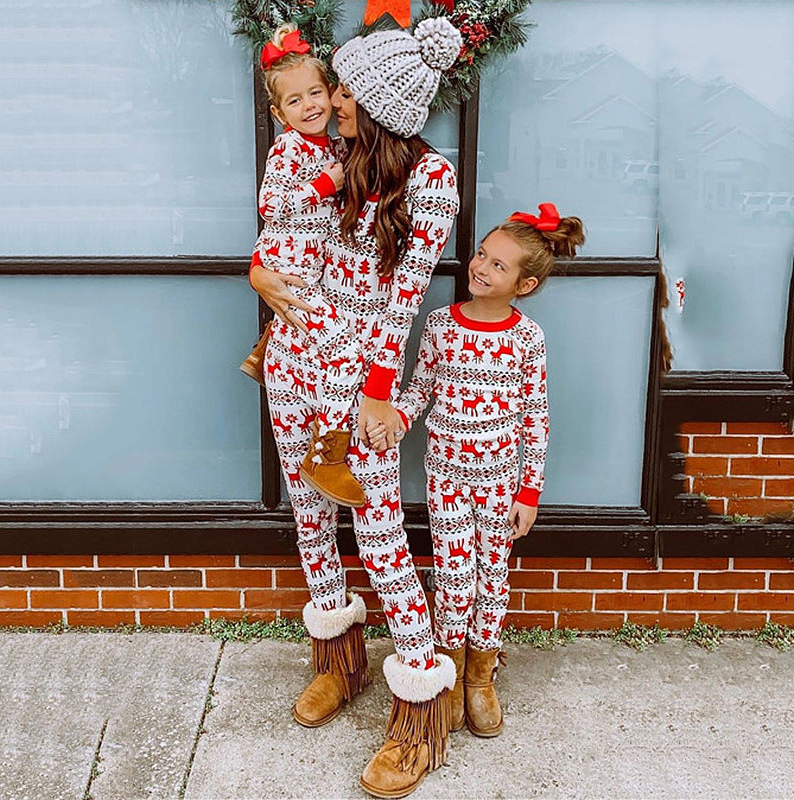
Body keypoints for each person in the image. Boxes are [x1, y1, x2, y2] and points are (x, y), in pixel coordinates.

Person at [249, 17, 463, 800]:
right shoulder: (331, 158)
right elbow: (285, 235)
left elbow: (405, 298)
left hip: (357, 380)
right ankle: (339, 661)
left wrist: (378, 391)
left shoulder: (430, 181)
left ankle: (421, 709)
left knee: (378, 535)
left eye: (342, 91)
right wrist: (257, 271)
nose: (329, 100)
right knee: (309, 517)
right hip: (292, 362)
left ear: (374, 104)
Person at [372, 204, 585, 738]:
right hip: (446, 478)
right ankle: (448, 671)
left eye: (498, 265)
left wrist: (529, 491)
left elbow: (535, 418)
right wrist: (396, 418)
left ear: (524, 284)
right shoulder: (441, 326)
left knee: (493, 576)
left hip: (499, 485)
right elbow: (420, 388)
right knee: (453, 577)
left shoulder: (527, 339)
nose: (481, 267)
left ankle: (480, 676)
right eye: (482, 255)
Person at [239, 23, 365, 508]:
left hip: (312, 270)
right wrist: (324, 186)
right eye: (295, 101)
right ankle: (327, 454)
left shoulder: (334, 147)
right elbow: (270, 206)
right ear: (278, 113)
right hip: (288, 269)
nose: (309, 106)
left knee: (320, 337)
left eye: (315, 93)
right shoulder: (288, 149)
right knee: (345, 349)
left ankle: (266, 348)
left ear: (330, 93)